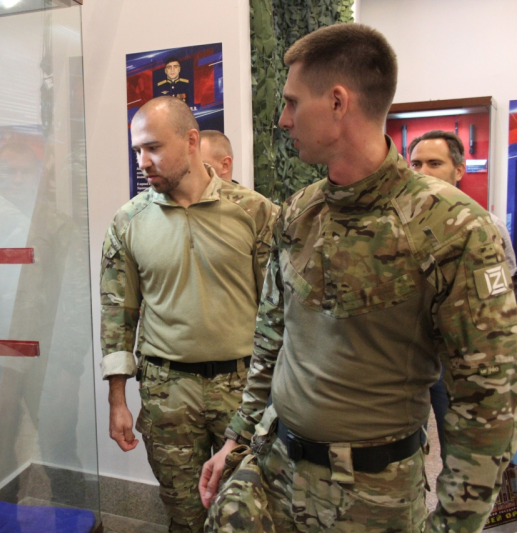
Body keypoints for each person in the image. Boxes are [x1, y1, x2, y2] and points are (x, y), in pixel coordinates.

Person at [200, 23, 516, 533]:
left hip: (372, 496)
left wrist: (455, 525)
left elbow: (487, 400)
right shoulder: (299, 212)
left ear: (337, 102)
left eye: (292, 102)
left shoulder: (454, 229)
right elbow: (272, 335)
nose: (282, 119)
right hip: (276, 465)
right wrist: (237, 438)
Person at [101, 96, 278, 532]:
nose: (143, 162)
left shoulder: (254, 212)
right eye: (137, 150)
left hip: (243, 389)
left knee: (249, 514)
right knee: (183, 515)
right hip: (167, 393)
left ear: (192, 141)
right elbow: (117, 315)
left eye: (154, 147)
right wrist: (117, 401)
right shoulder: (128, 222)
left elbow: (280, 313)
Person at [408, 129, 517, 458]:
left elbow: (504, 302)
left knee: (463, 450)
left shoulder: (484, 226)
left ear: (459, 170)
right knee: (406, 451)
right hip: (407, 357)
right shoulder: (397, 228)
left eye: (434, 163)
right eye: (415, 164)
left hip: (460, 358)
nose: (423, 172)